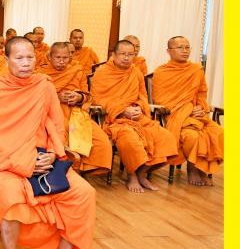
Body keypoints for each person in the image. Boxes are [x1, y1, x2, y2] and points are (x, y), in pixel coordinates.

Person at [0, 36, 96, 249]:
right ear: (7, 60)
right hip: (7, 162)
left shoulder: (44, 85)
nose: (25, 63)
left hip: (44, 157)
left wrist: (53, 153)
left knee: (84, 193)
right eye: (19, 58)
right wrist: (25, 162)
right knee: (10, 198)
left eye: (30, 57)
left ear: (37, 58)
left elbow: (56, 124)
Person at [91, 40, 177, 193]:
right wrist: (122, 110)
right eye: (123, 54)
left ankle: (142, 173)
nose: (126, 58)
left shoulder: (136, 72)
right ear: (113, 55)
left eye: (130, 54)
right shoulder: (102, 72)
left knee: (166, 138)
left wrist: (139, 108)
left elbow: (143, 96)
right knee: (130, 140)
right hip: (115, 120)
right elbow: (98, 99)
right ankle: (132, 175)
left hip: (138, 118)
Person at [151, 36, 223, 186]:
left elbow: (202, 94)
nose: (185, 51)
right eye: (180, 47)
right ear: (169, 51)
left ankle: (202, 168)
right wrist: (187, 109)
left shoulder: (196, 70)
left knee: (218, 132)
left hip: (196, 116)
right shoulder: (161, 72)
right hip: (174, 117)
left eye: (187, 47)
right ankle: (193, 168)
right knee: (192, 136)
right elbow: (161, 101)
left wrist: (201, 108)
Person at [39, 43, 112, 175]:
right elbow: (36, 98)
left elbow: (87, 95)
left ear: (70, 57)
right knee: (63, 135)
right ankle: (66, 172)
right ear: (49, 57)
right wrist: (56, 97)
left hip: (76, 113)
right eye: (58, 57)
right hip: (52, 113)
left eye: (65, 58)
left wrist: (78, 97)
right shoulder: (40, 74)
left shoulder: (77, 71)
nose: (62, 61)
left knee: (102, 141)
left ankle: (81, 171)